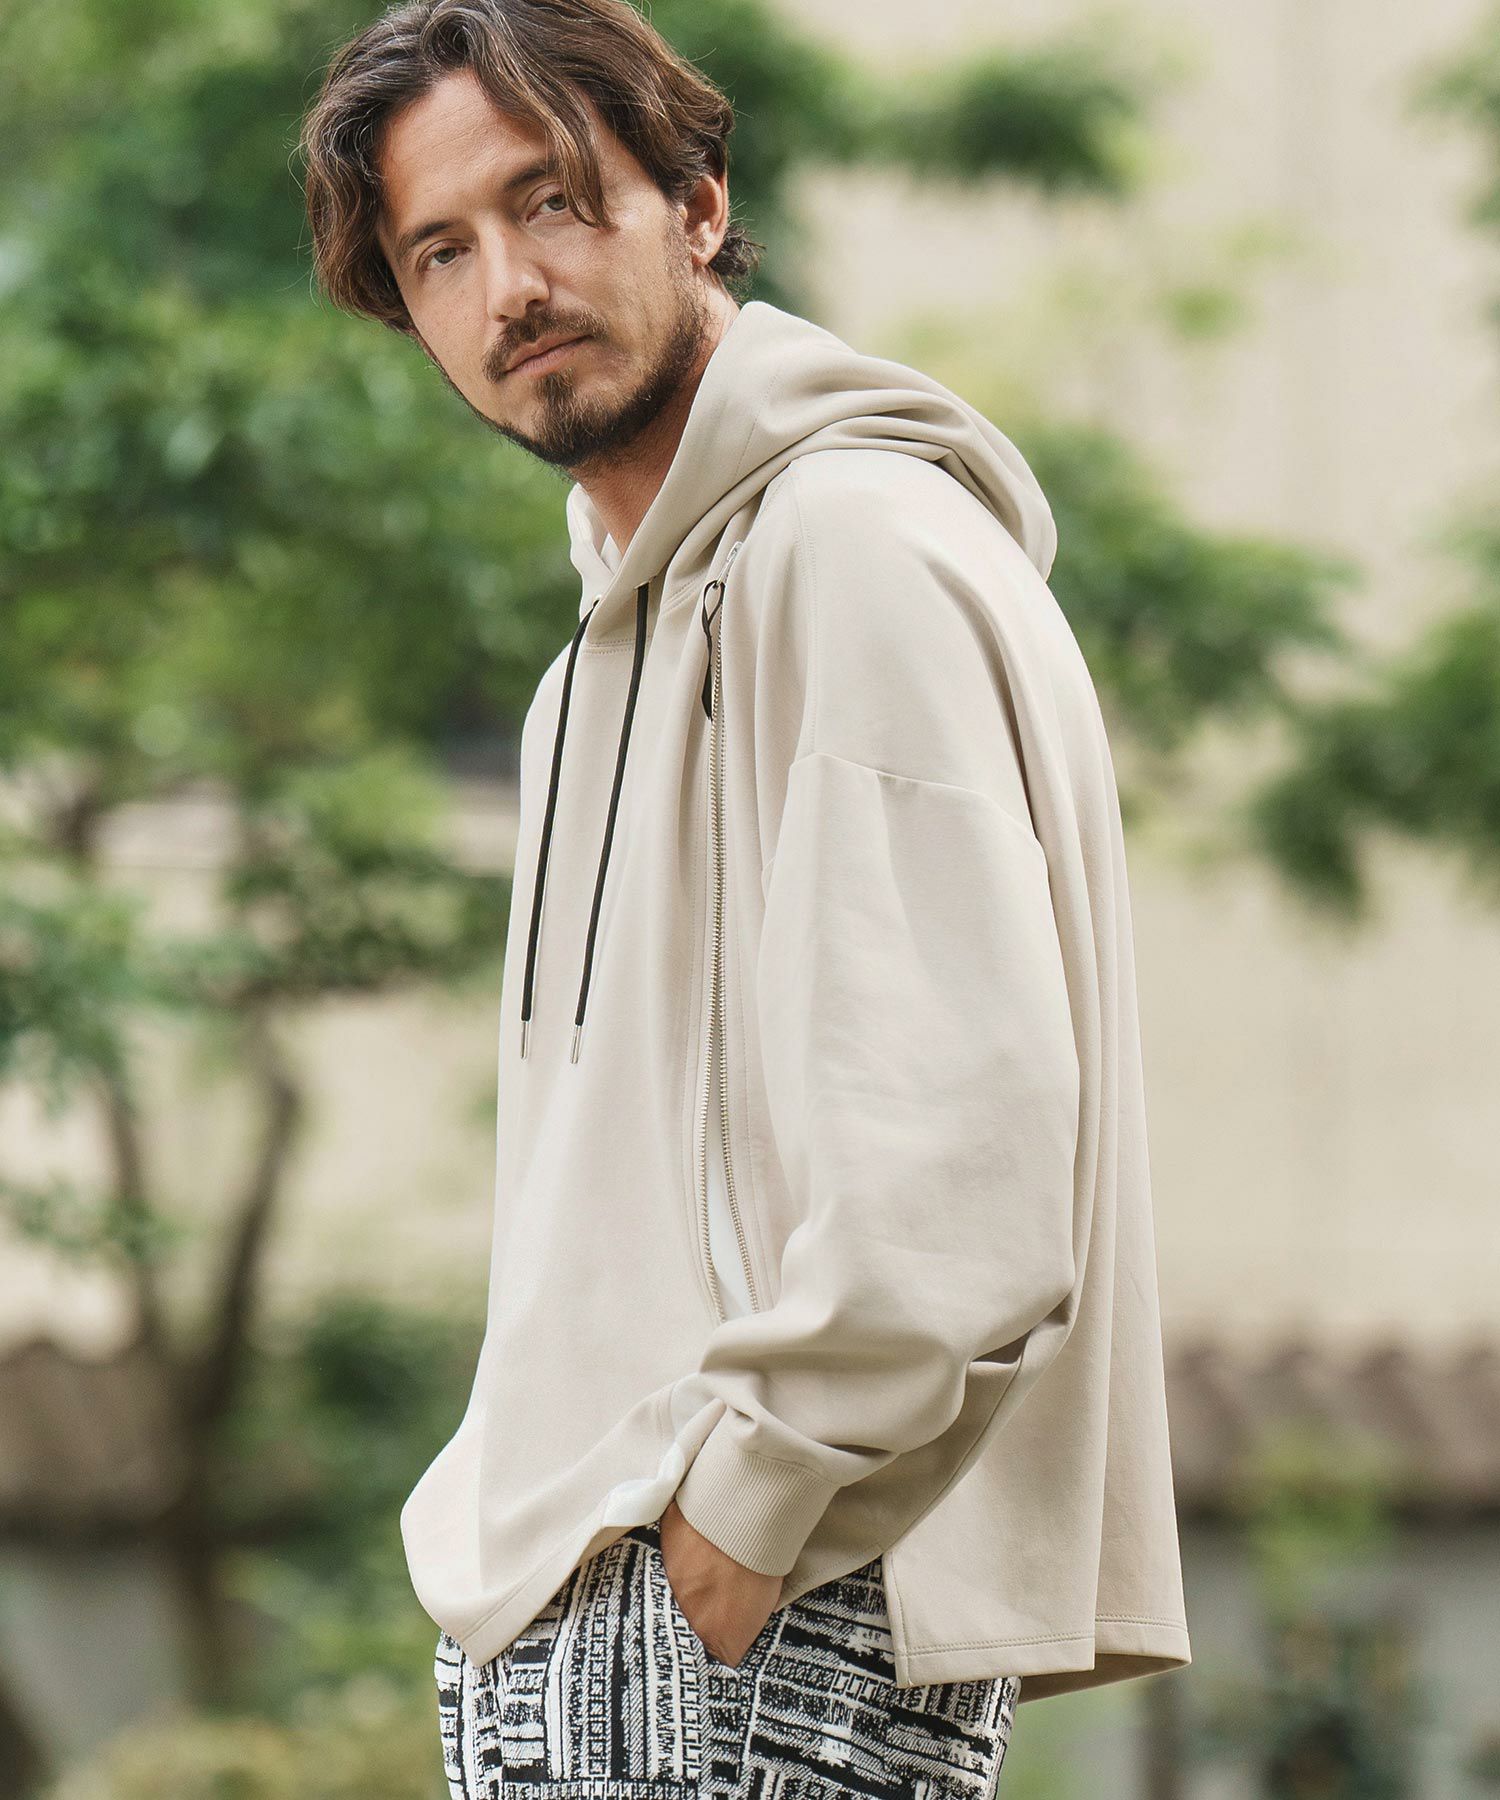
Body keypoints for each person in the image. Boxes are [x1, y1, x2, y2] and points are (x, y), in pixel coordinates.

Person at [299, 1, 1192, 1793]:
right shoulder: (600, 661)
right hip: (595, 1591)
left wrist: (740, 1515)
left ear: (697, 205)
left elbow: (965, 1153)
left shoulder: (847, 550)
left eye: (552, 202)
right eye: (441, 251)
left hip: (737, 1601)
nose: (509, 288)